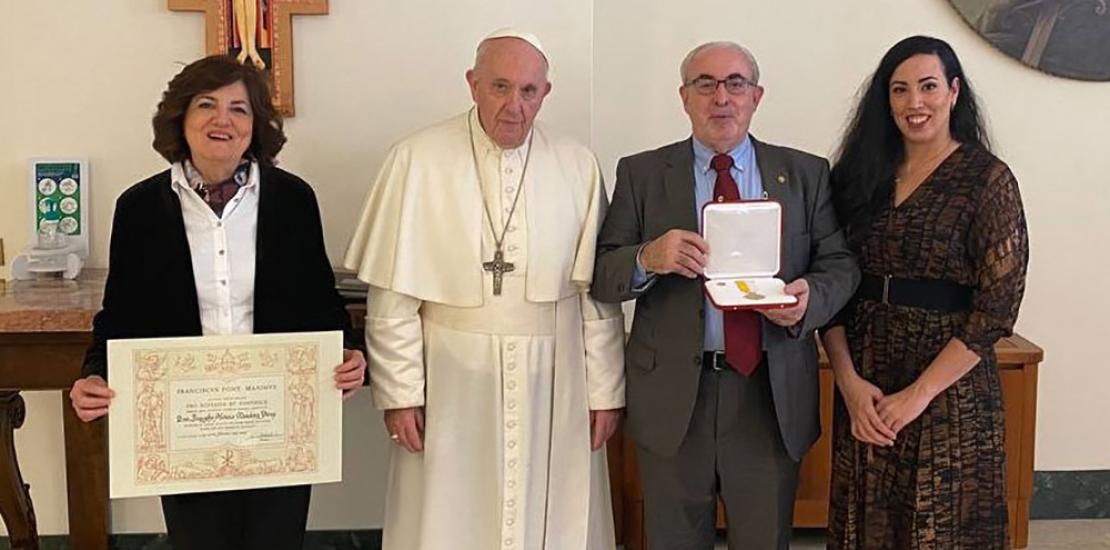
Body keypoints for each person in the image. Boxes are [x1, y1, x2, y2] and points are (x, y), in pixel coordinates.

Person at [68, 55, 366, 550]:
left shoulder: (293, 200)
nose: (221, 120)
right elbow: (120, 315)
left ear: (255, 125)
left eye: (238, 108)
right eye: (206, 105)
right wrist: (95, 373)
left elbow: (319, 303)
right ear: (180, 118)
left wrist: (349, 353)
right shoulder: (139, 208)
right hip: (185, 423)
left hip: (277, 418)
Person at [343, 28, 625, 550]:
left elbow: (597, 298)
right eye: (500, 87)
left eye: (528, 91)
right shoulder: (416, 159)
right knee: (449, 515)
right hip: (450, 376)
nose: (514, 106)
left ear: (545, 93)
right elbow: (393, 300)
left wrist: (605, 392)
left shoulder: (577, 164)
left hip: (556, 377)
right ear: (472, 84)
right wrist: (401, 394)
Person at [592, 41, 858, 549]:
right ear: (684, 97)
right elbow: (603, 273)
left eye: (736, 83)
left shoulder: (804, 174)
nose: (721, 97)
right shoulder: (642, 174)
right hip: (673, 399)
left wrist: (808, 300)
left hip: (768, 395)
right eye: (705, 84)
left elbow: (840, 266)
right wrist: (648, 257)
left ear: (756, 96)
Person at [823, 35, 1029, 549]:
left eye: (928, 86)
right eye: (900, 90)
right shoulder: (857, 178)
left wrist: (917, 395)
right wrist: (848, 383)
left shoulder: (987, 180)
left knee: (941, 528)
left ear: (954, 92)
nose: (914, 102)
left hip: (949, 389)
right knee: (866, 523)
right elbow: (829, 282)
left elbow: (996, 309)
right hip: (866, 382)